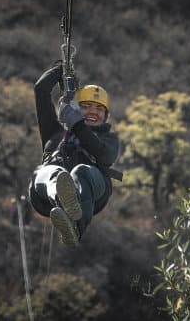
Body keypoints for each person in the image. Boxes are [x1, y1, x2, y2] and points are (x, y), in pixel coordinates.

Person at [28, 64, 122, 247]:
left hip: (91, 192)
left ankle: (75, 227)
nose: (93, 112)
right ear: (76, 109)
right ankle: (62, 199)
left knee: (80, 171)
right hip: (45, 194)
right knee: (52, 171)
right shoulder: (54, 133)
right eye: (86, 106)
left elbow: (105, 156)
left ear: (106, 115)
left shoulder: (109, 139)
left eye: (99, 109)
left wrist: (77, 124)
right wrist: (61, 69)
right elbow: (41, 90)